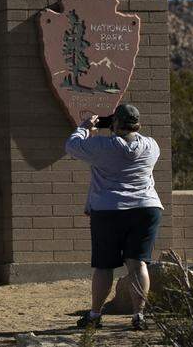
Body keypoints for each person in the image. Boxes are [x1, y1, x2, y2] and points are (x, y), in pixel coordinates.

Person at [65, 103, 163, 331]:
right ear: (138, 124)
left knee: (104, 266)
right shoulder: (152, 146)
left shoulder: (102, 147)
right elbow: (130, 144)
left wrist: (86, 127)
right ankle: (139, 316)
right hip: (146, 208)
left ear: (116, 123)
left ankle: (95, 315)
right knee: (138, 263)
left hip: (108, 210)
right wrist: (116, 127)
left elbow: (71, 145)